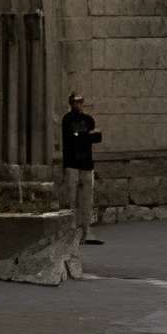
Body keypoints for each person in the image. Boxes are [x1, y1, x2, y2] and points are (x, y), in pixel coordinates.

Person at [61, 91, 102, 244]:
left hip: (86, 162)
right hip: (72, 162)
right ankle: (71, 230)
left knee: (87, 198)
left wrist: (81, 135)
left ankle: (87, 230)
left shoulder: (88, 119)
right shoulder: (67, 119)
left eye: (80, 101)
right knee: (71, 198)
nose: (78, 104)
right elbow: (71, 137)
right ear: (71, 103)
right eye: (75, 102)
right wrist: (86, 135)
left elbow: (98, 137)